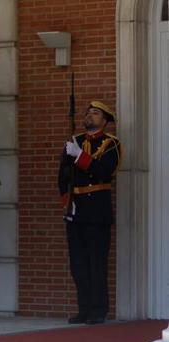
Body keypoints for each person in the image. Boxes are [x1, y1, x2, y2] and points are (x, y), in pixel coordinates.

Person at [58, 101, 121, 325]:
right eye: (88, 112)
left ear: (104, 120)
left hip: (96, 210)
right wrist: (67, 203)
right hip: (76, 209)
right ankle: (83, 309)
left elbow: (104, 172)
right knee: (78, 263)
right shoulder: (74, 141)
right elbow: (63, 176)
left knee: (96, 262)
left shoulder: (111, 144)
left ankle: (98, 310)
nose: (90, 115)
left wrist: (80, 157)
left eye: (95, 113)